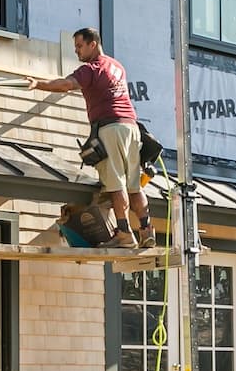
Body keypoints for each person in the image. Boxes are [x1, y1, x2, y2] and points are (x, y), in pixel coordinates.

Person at [29, 27, 151, 249]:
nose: (76, 51)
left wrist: (39, 84)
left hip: (110, 127)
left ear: (92, 44)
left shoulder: (90, 69)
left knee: (116, 184)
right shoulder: (117, 66)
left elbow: (66, 85)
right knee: (135, 185)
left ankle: (124, 233)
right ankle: (147, 231)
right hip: (132, 128)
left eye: (79, 46)